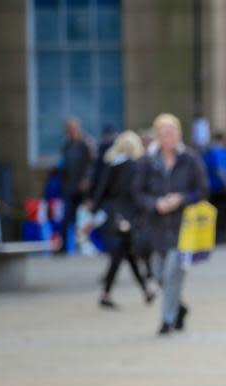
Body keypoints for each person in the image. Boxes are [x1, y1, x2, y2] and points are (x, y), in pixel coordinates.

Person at [133, 113, 208, 335]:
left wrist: (181, 200)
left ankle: (166, 321)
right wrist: (155, 204)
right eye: (164, 133)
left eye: (173, 132)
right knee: (158, 274)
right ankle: (179, 308)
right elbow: (137, 192)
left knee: (172, 272)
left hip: (184, 229)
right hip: (155, 228)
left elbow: (202, 191)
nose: (169, 137)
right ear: (157, 136)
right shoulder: (147, 161)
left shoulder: (190, 159)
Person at [92, 130, 155, 309]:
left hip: (114, 215)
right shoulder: (136, 166)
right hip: (129, 215)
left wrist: (94, 210)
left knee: (125, 253)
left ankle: (142, 291)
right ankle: (112, 293)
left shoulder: (112, 164)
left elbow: (101, 190)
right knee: (122, 254)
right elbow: (138, 193)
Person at [58, 117, 95, 253]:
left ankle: (86, 245)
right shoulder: (66, 145)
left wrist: (87, 179)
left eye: (74, 128)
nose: (71, 131)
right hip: (69, 187)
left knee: (86, 218)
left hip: (84, 189)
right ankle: (64, 248)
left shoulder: (86, 143)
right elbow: (63, 165)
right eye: (69, 129)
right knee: (67, 217)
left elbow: (93, 164)